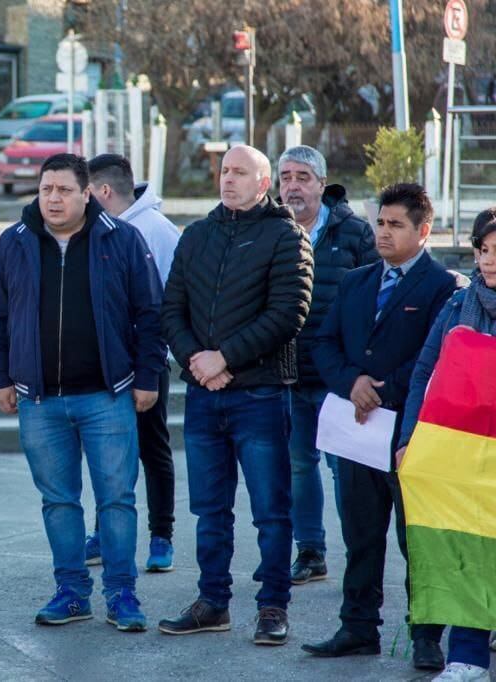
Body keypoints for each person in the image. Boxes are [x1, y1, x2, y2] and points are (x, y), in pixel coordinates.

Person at [0, 153, 166, 633]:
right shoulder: (15, 242)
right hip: (39, 401)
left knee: (116, 500)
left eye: (64, 190)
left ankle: (122, 594)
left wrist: (147, 377)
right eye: (46, 190)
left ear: (88, 194)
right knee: (59, 501)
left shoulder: (122, 240)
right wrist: (0, 377)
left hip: (108, 396)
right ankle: (72, 592)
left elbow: (151, 313)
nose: (53, 198)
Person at [158, 145, 313, 646]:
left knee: (271, 510)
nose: (229, 179)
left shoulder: (285, 235)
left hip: (261, 397)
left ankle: (272, 607)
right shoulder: (197, 235)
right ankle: (213, 602)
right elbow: (171, 309)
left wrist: (224, 358)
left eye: (241, 172)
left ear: (263, 183)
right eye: (225, 171)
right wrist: (197, 364)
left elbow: (289, 312)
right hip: (205, 396)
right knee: (209, 508)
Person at [304, 183, 457, 671]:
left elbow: (435, 358)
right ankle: (357, 627)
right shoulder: (357, 280)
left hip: (410, 433)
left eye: (396, 225)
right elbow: (324, 343)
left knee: (417, 539)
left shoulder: (442, 287)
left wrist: (384, 388)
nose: (384, 233)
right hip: (356, 430)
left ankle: (426, 634)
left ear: (424, 230)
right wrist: (353, 383)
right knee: (360, 533)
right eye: (380, 223)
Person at [395, 208, 496, 682]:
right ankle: (468, 657)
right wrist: (410, 437)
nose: (491, 259)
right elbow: (425, 371)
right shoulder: (458, 305)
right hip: (460, 456)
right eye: (484, 249)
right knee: (465, 550)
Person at [277, 145, 379, 585]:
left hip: (339, 376)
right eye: (285, 177)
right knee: (299, 466)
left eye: (303, 176)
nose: (293, 185)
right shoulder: (270, 230)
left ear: (322, 183)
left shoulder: (354, 232)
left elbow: (377, 299)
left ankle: (357, 554)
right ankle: (311, 551)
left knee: (344, 470)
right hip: (289, 372)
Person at [85, 153, 179, 572]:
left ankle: (162, 537)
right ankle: (104, 533)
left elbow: (171, 302)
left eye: (84, 191)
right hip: (102, 363)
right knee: (108, 453)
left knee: (153, 450)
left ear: (103, 191)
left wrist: (156, 362)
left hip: (146, 363)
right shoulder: (92, 229)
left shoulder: (158, 231)